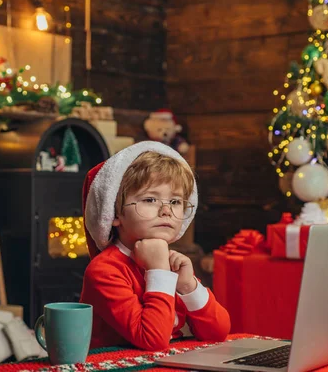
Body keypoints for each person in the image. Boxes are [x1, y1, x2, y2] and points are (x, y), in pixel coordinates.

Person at [80, 141, 230, 350]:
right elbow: (152, 340)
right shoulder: (104, 271)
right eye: (150, 199)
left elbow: (218, 332)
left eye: (176, 201)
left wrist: (188, 286)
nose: (166, 210)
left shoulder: (171, 261)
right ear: (113, 213)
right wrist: (158, 271)